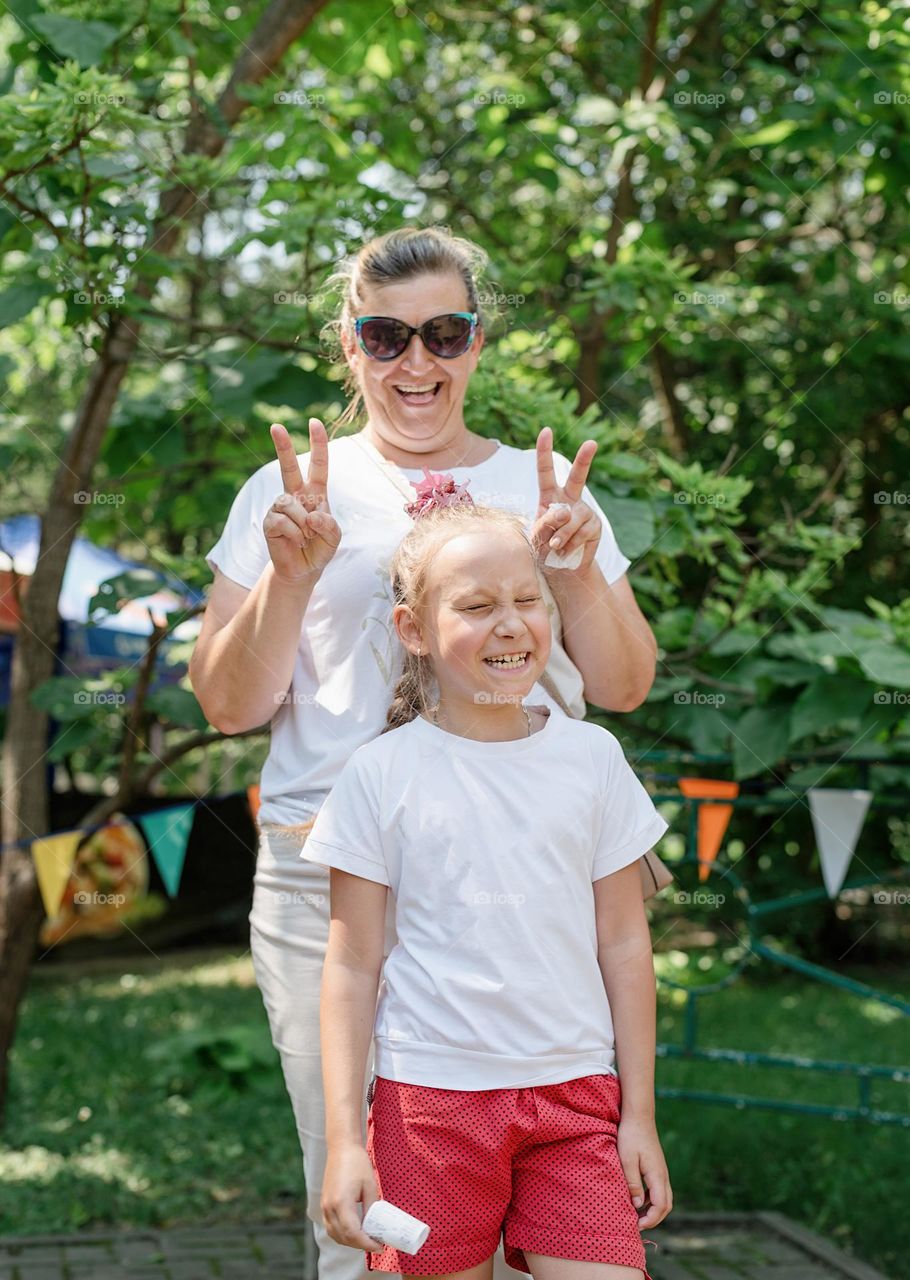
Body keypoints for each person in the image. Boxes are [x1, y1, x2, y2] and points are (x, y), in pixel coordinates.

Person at [190, 226, 659, 1280]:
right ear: (347, 349)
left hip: (524, 888)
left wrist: (576, 570)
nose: (418, 361)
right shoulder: (287, 491)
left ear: (477, 341)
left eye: (444, 332)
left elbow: (624, 685)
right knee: (368, 1224)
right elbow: (227, 703)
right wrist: (291, 574)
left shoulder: (538, 487)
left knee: (555, 1194)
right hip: (332, 890)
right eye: (386, 335)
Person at [307, 498, 672, 1280]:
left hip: (577, 1103)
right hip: (428, 1109)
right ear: (413, 630)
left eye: (527, 600)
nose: (510, 624)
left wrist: (638, 1114)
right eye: (476, 607)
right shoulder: (380, 774)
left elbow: (624, 942)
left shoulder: (594, 759)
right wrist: (345, 1140)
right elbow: (351, 965)